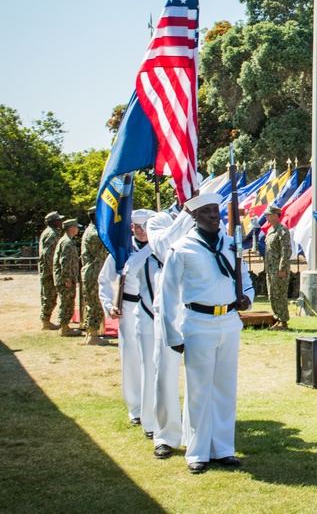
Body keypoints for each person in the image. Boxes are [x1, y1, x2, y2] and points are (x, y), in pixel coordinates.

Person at [160, 192, 253, 474]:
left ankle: (223, 448)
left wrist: (247, 296)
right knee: (199, 390)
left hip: (228, 321)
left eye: (216, 210)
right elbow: (168, 295)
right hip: (198, 322)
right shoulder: (182, 248)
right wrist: (173, 335)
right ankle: (197, 452)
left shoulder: (231, 244)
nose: (214, 215)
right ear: (194, 217)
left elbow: (245, 277)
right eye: (207, 212)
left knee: (225, 388)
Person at [145, 201, 194, 460]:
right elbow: (164, 248)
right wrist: (187, 215)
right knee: (164, 371)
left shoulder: (206, 214)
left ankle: (194, 434)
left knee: (199, 375)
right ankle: (165, 435)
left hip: (200, 304)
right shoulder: (158, 220)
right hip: (168, 305)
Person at [98, 212, 155, 431]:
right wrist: (108, 305)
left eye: (145, 226)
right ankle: (136, 408)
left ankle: (155, 406)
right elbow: (104, 280)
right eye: (137, 226)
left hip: (153, 309)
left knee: (154, 359)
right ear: (131, 227)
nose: (141, 230)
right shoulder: (121, 250)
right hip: (129, 308)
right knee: (131, 358)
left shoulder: (159, 247)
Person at [80, 205, 109, 345]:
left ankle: (92, 333)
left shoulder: (93, 230)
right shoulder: (95, 233)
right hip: (93, 272)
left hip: (93, 271)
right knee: (94, 303)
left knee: (93, 302)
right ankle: (93, 335)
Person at [52, 219, 84, 337]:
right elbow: (65, 262)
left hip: (66, 278)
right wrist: (67, 280)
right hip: (66, 280)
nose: (78, 229)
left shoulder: (66, 241)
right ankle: (64, 327)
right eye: (76, 227)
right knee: (66, 303)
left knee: (67, 302)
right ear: (71, 228)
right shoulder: (67, 243)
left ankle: (64, 325)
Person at [263, 204, 292, 331]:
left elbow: (286, 251)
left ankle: (283, 321)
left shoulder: (282, 231)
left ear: (276, 215)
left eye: (268, 214)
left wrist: (282, 268)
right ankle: (278, 318)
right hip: (270, 268)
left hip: (279, 269)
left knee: (280, 295)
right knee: (272, 295)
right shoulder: (271, 230)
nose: (266, 217)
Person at [38, 211, 64, 330]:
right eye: (58, 220)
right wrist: (54, 272)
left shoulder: (50, 232)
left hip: (47, 270)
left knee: (48, 295)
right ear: (53, 221)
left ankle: (46, 319)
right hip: (49, 271)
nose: (61, 222)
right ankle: (46, 321)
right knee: (49, 296)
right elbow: (49, 255)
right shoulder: (51, 234)